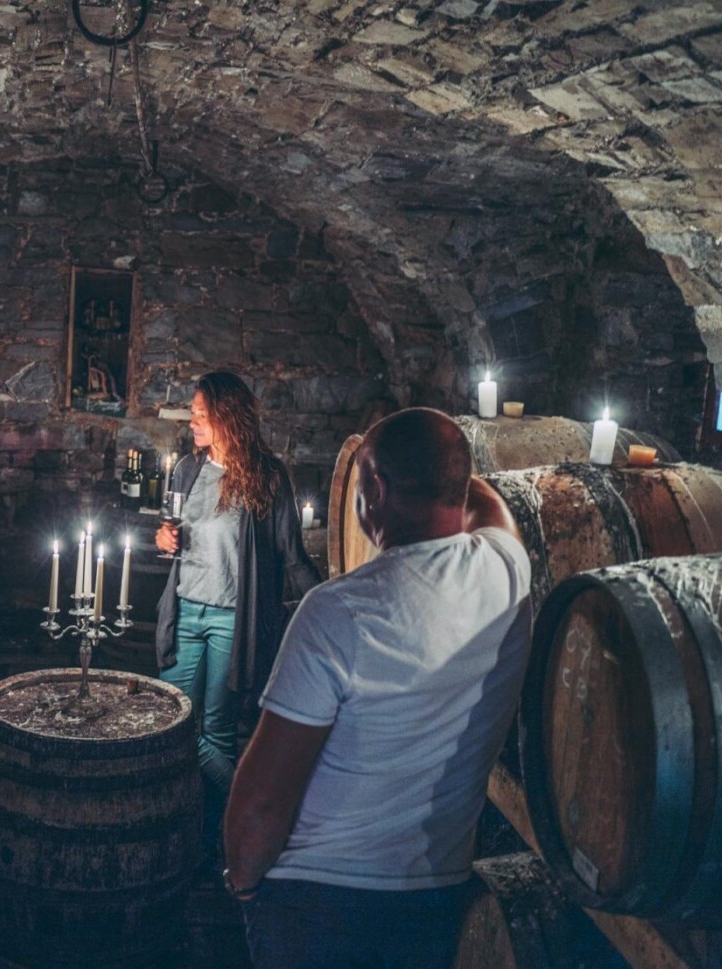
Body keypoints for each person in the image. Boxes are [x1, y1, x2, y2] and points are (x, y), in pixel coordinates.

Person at [222, 407, 532, 969]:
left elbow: (262, 800)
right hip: (437, 900)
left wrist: (244, 885)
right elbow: (490, 504)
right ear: (455, 486)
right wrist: (447, 468)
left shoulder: (337, 612)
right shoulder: (507, 570)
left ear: (375, 490)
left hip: (320, 905)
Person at [153, 371, 321, 829]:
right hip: (186, 610)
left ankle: (216, 834)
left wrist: (326, 604)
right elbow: (172, 531)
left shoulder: (267, 477)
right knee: (176, 723)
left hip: (233, 618)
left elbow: (292, 556)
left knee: (219, 733)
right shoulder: (189, 470)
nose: (193, 423)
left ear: (228, 418)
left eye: (202, 416)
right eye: (193, 416)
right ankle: (253, 817)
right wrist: (164, 539)